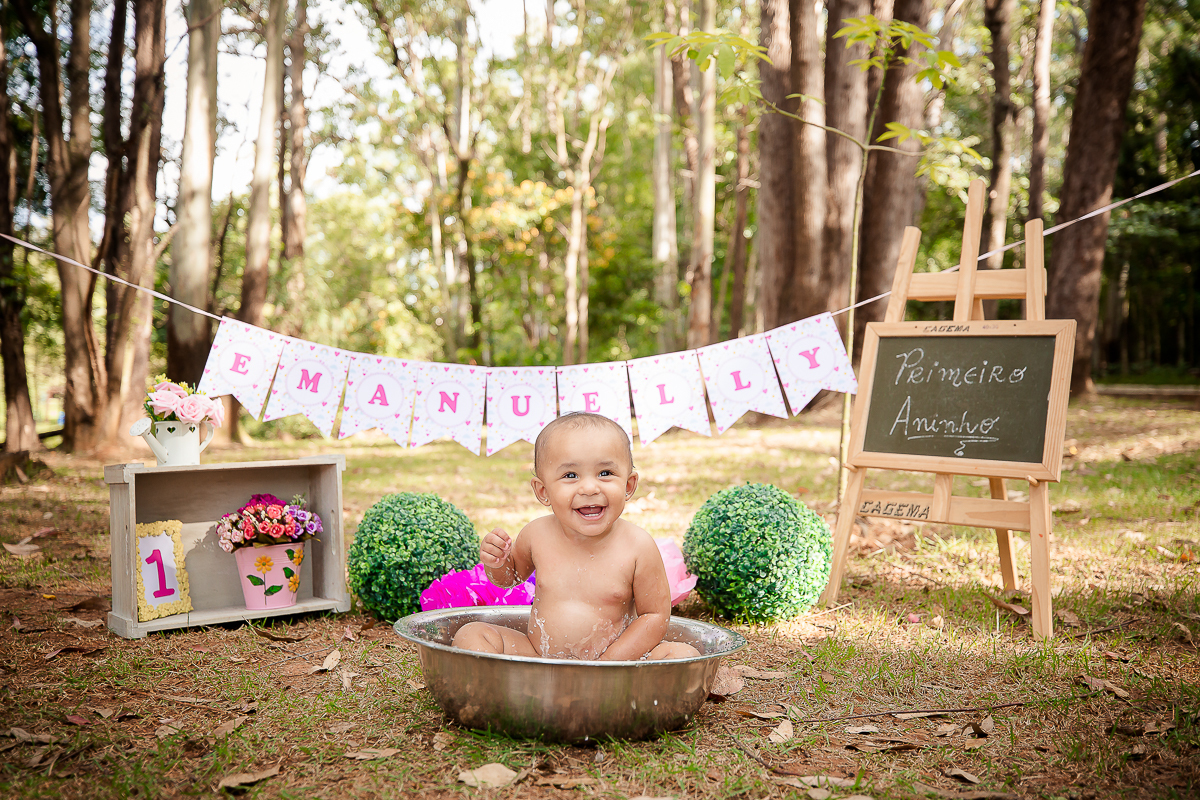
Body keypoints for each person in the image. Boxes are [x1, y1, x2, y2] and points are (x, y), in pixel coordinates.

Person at [452, 412, 700, 661]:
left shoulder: (638, 546)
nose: (590, 488)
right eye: (570, 475)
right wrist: (498, 563)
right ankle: (509, 681)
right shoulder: (537, 535)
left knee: (682, 654)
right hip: (540, 656)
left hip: (616, 663)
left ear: (628, 485)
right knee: (472, 634)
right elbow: (509, 578)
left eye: (605, 473)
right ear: (543, 491)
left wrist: (610, 663)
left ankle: (613, 684)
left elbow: (654, 616)